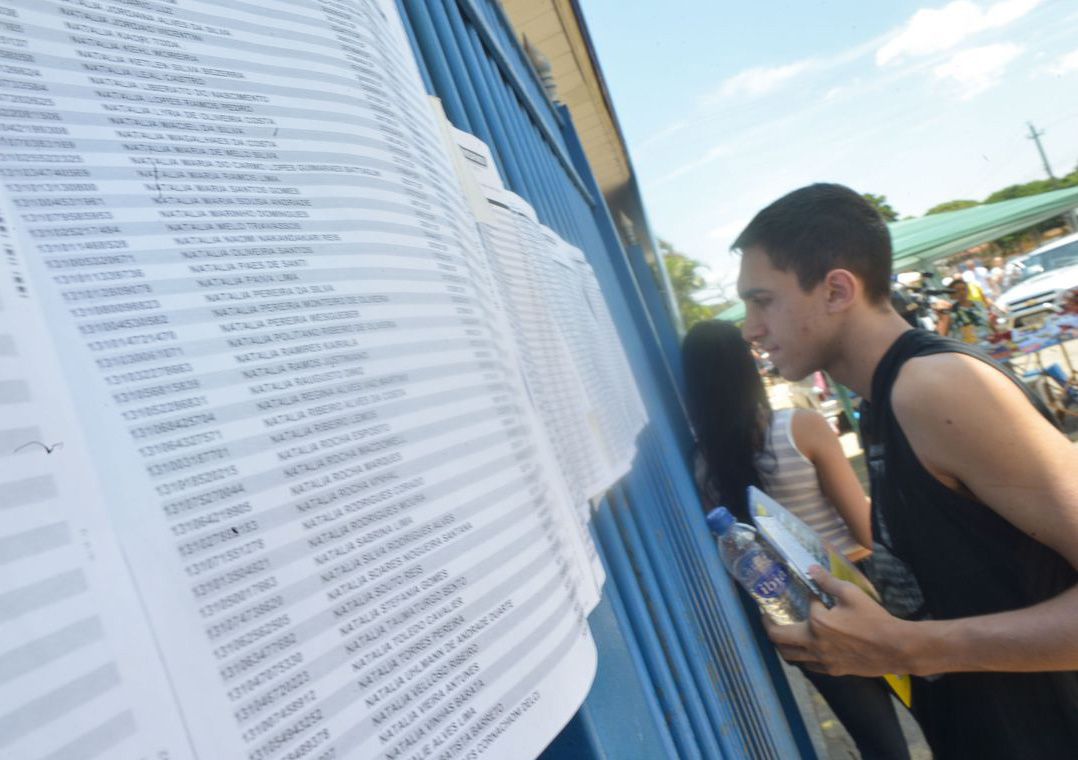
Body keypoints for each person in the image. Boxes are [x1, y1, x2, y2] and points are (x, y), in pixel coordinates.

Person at [733, 183, 1078, 759]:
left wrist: (908, 648)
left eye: (762, 300)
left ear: (837, 289)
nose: (749, 328)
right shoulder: (882, 403)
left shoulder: (936, 388)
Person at [682, 320, 909, 760]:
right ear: (747, 368)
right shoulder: (799, 428)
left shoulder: (702, 464)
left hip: (800, 615)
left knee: (881, 745)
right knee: (944, 713)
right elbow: (866, 529)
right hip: (861, 587)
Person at [934, 277, 992, 344]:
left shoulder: (979, 305)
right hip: (968, 349)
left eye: (963, 289)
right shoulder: (950, 311)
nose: (961, 293)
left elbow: (989, 323)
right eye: (957, 291)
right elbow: (941, 334)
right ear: (951, 294)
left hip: (989, 343)